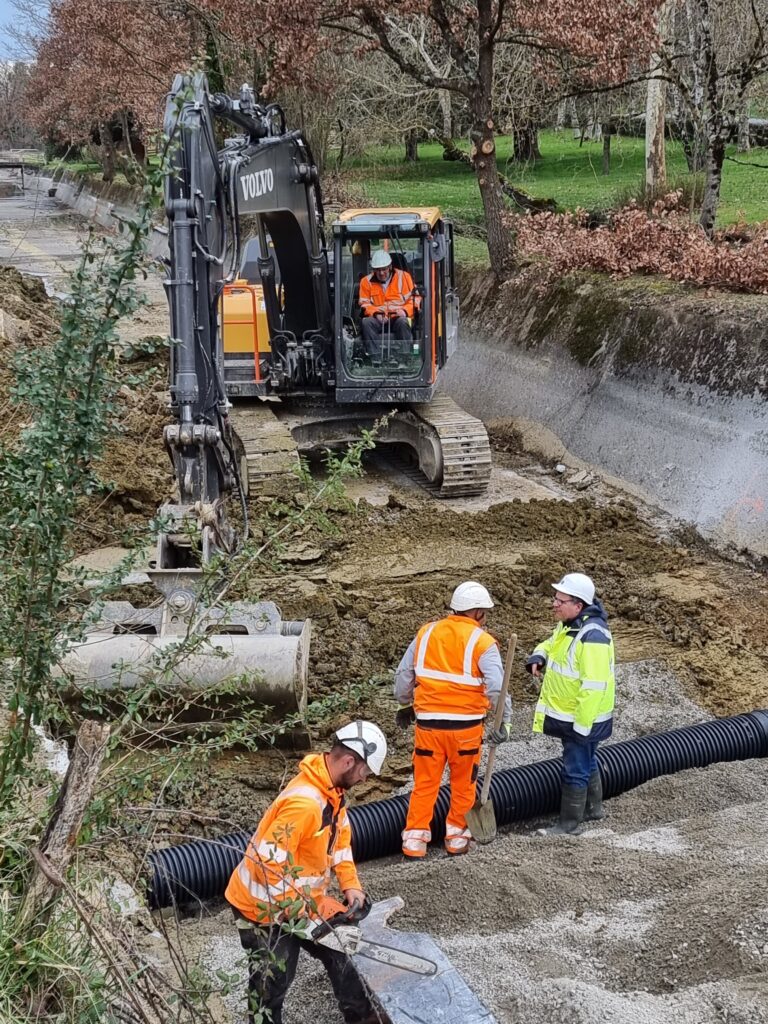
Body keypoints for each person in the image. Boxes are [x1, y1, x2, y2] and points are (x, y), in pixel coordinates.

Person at [225, 721, 387, 1024]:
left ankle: (364, 1017)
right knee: (274, 977)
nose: (365, 779)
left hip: (299, 901)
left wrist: (350, 884)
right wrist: (301, 909)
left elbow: (340, 844)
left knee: (342, 950)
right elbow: (268, 861)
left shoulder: (333, 794)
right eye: (365, 772)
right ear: (350, 761)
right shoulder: (304, 803)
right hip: (261, 908)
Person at [394, 581, 512, 859]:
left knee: (424, 784)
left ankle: (414, 841)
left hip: (428, 728)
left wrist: (405, 704)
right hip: (465, 731)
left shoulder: (426, 633)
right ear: (479, 612)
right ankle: (457, 838)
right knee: (463, 784)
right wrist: (504, 721)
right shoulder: (483, 642)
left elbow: (403, 677)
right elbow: (497, 688)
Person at [526, 573, 615, 835]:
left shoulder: (592, 636)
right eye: (555, 599)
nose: (554, 604)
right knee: (586, 760)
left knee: (575, 767)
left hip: (583, 718)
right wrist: (539, 655)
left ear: (578, 605)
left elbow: (593, 686)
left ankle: (568, 824)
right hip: (575, 716)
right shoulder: (569, 626)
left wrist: (581, 727)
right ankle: (592, 810)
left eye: (560, 600)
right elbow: (552, 644)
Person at [358, 250, 420, 362]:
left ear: (390, 266)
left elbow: (415, 299)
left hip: (398, 318)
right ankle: (375, 359)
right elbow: (364, 304)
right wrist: (376, 314)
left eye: (384, 269)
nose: (381, 273)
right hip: (378, 319)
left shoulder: (404, 277)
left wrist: (405, 311)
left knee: (403, 322)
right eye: (378, 270)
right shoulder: (365, 282)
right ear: (373, 269)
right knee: (366, 322)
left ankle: (405, 359)